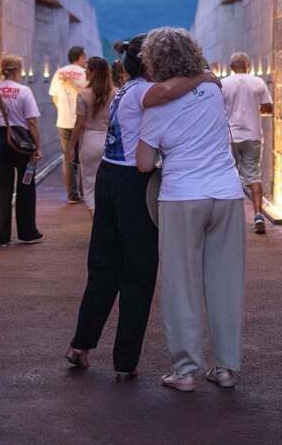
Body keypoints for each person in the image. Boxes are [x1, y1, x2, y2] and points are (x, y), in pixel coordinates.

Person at [67, 34, 214, 378]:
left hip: (109, 178)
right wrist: (201, 77)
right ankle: (125, 362)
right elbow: (165, 93)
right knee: (138, 272)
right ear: (148, 65)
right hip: (134, 185)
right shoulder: (140, 92)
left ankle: (81, 345)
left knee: (103, 267)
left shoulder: (124, 91)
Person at [137, 28, 246, 392]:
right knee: (225, 284)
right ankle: (227, 368)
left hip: (182, 196)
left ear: (154, 62)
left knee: (181, 285)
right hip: (227, 194)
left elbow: (142, 163)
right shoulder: (213, 89)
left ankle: (185, 372)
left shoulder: (154, 107)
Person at [0, 56, 44, 247]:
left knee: (0, 190)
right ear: (18, 71)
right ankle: (27, 233)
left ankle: (3, 236)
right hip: (21, 142)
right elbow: (31, 122)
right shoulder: (24, 91)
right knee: (26, 186)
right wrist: (37, 146)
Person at [221, 52, 274, 234]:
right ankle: (258, 215)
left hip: (230, 137)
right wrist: (252, 109)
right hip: (252, 135)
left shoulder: (224, 84)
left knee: (228, 175)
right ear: (248, 66)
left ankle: (230, 220)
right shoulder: (257, 82)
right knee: (253, 174)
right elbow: (268, 107)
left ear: (231, 68)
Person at [66, 57, 114, 214]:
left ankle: (95, 222)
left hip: (90, 141)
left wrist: (71, 146)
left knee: (90, 184)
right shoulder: (115, 93)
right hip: (110, 141)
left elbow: (79, 124)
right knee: (108, 184)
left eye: (87, 70)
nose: (85, 73)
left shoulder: (84, 94)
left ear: (93, 73)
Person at [49, 46, 87, 203]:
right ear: (80, 57)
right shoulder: (85, 73)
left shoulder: (59, 73)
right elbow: (87, 95)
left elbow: (54, 97)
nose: (85, 60)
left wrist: (64, 110)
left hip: (63, 121)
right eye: (84, 56)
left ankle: (72, 195)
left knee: (68, 158)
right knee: (84, 156)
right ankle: (84, 191)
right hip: (81, 121)